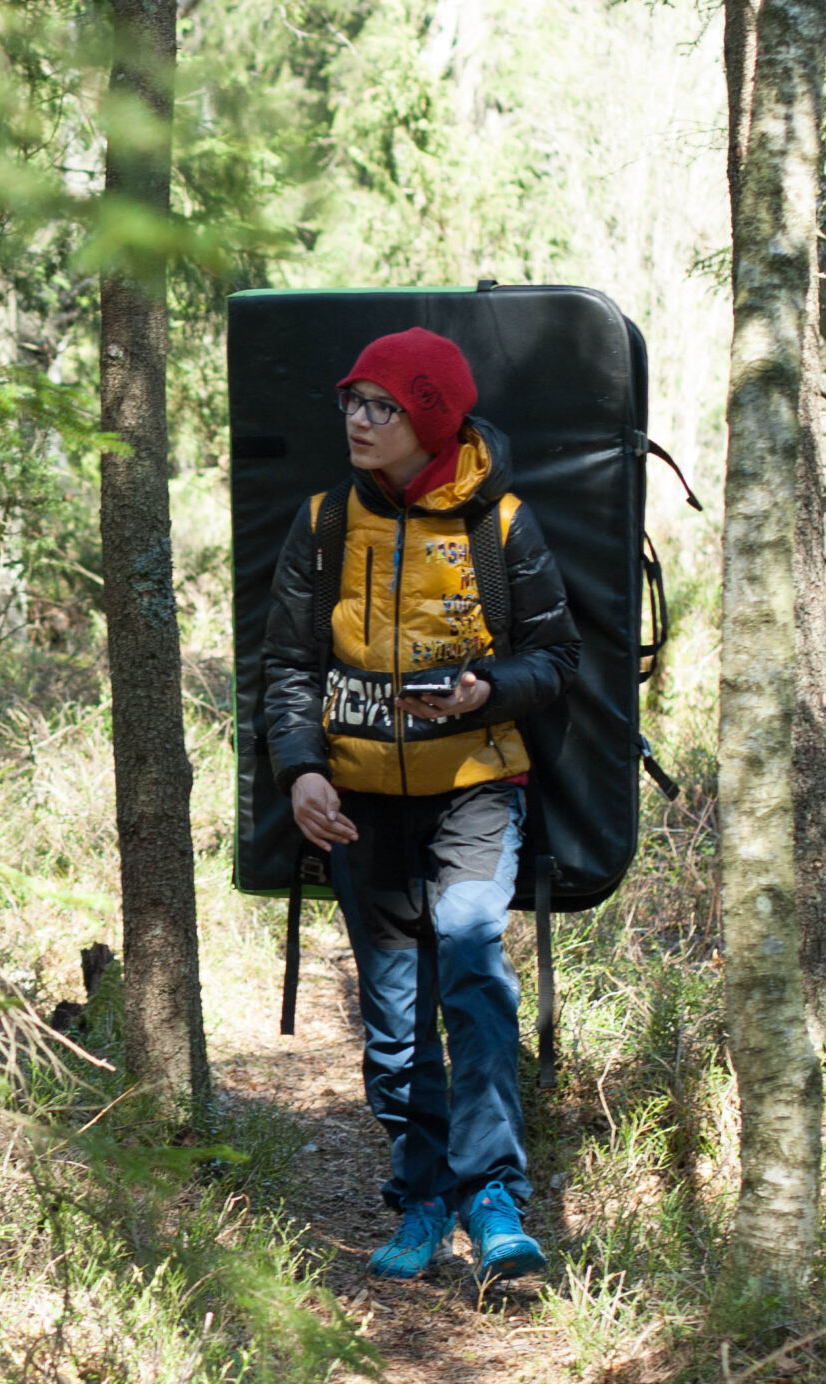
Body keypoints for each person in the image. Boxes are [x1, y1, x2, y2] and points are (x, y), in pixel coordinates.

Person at [259, 327, 581, 1283]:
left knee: (474, 971)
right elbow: (286, 668)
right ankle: (422, 1193)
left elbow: (558, 660)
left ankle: (493, 1198)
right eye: (350, 402)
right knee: (395, 1018)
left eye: (381, 406)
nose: (357, 421)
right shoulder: (323, 525)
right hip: (362, 805)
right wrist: (301, 771)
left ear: (429, 416)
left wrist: (490, 689)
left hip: (476, 792)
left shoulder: (502, 525)